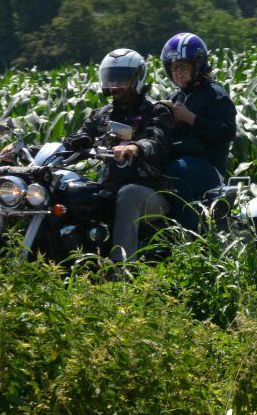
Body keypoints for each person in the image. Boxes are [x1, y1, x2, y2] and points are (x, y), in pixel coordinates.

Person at [61, 48, 172, 263]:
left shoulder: (156, 111)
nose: (115, 85)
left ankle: (122, 267)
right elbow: (72, 140)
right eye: (111, 78)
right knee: (75, 192)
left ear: (138, 77)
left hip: (150, 192)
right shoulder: (101, 115)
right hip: (110, 187)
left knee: (128, 193)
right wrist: (29, 150)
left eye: (121, 78)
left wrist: (136, 147)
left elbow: (156, 140)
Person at [158, 32, 237, 228]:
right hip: (182, 160)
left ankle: (190, 232)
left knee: (177, 170)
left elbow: (227, 132)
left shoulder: (214, 94)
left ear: (198, 65)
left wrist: (191, 118)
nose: (178, 72)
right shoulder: (176, 97)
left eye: (183, 66)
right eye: (173, 67)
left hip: (210, 165)